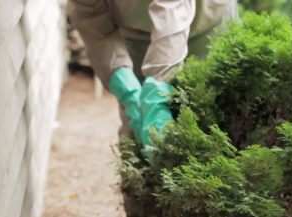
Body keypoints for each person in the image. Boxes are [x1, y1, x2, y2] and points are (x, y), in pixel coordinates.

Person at [68, 0, 240, 156]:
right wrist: (126, 88)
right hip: (135, 33)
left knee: (216, 121)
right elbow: (90, 15)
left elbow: (172, 6)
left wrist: (159, 89)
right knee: (137, 131)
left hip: (208, 25)